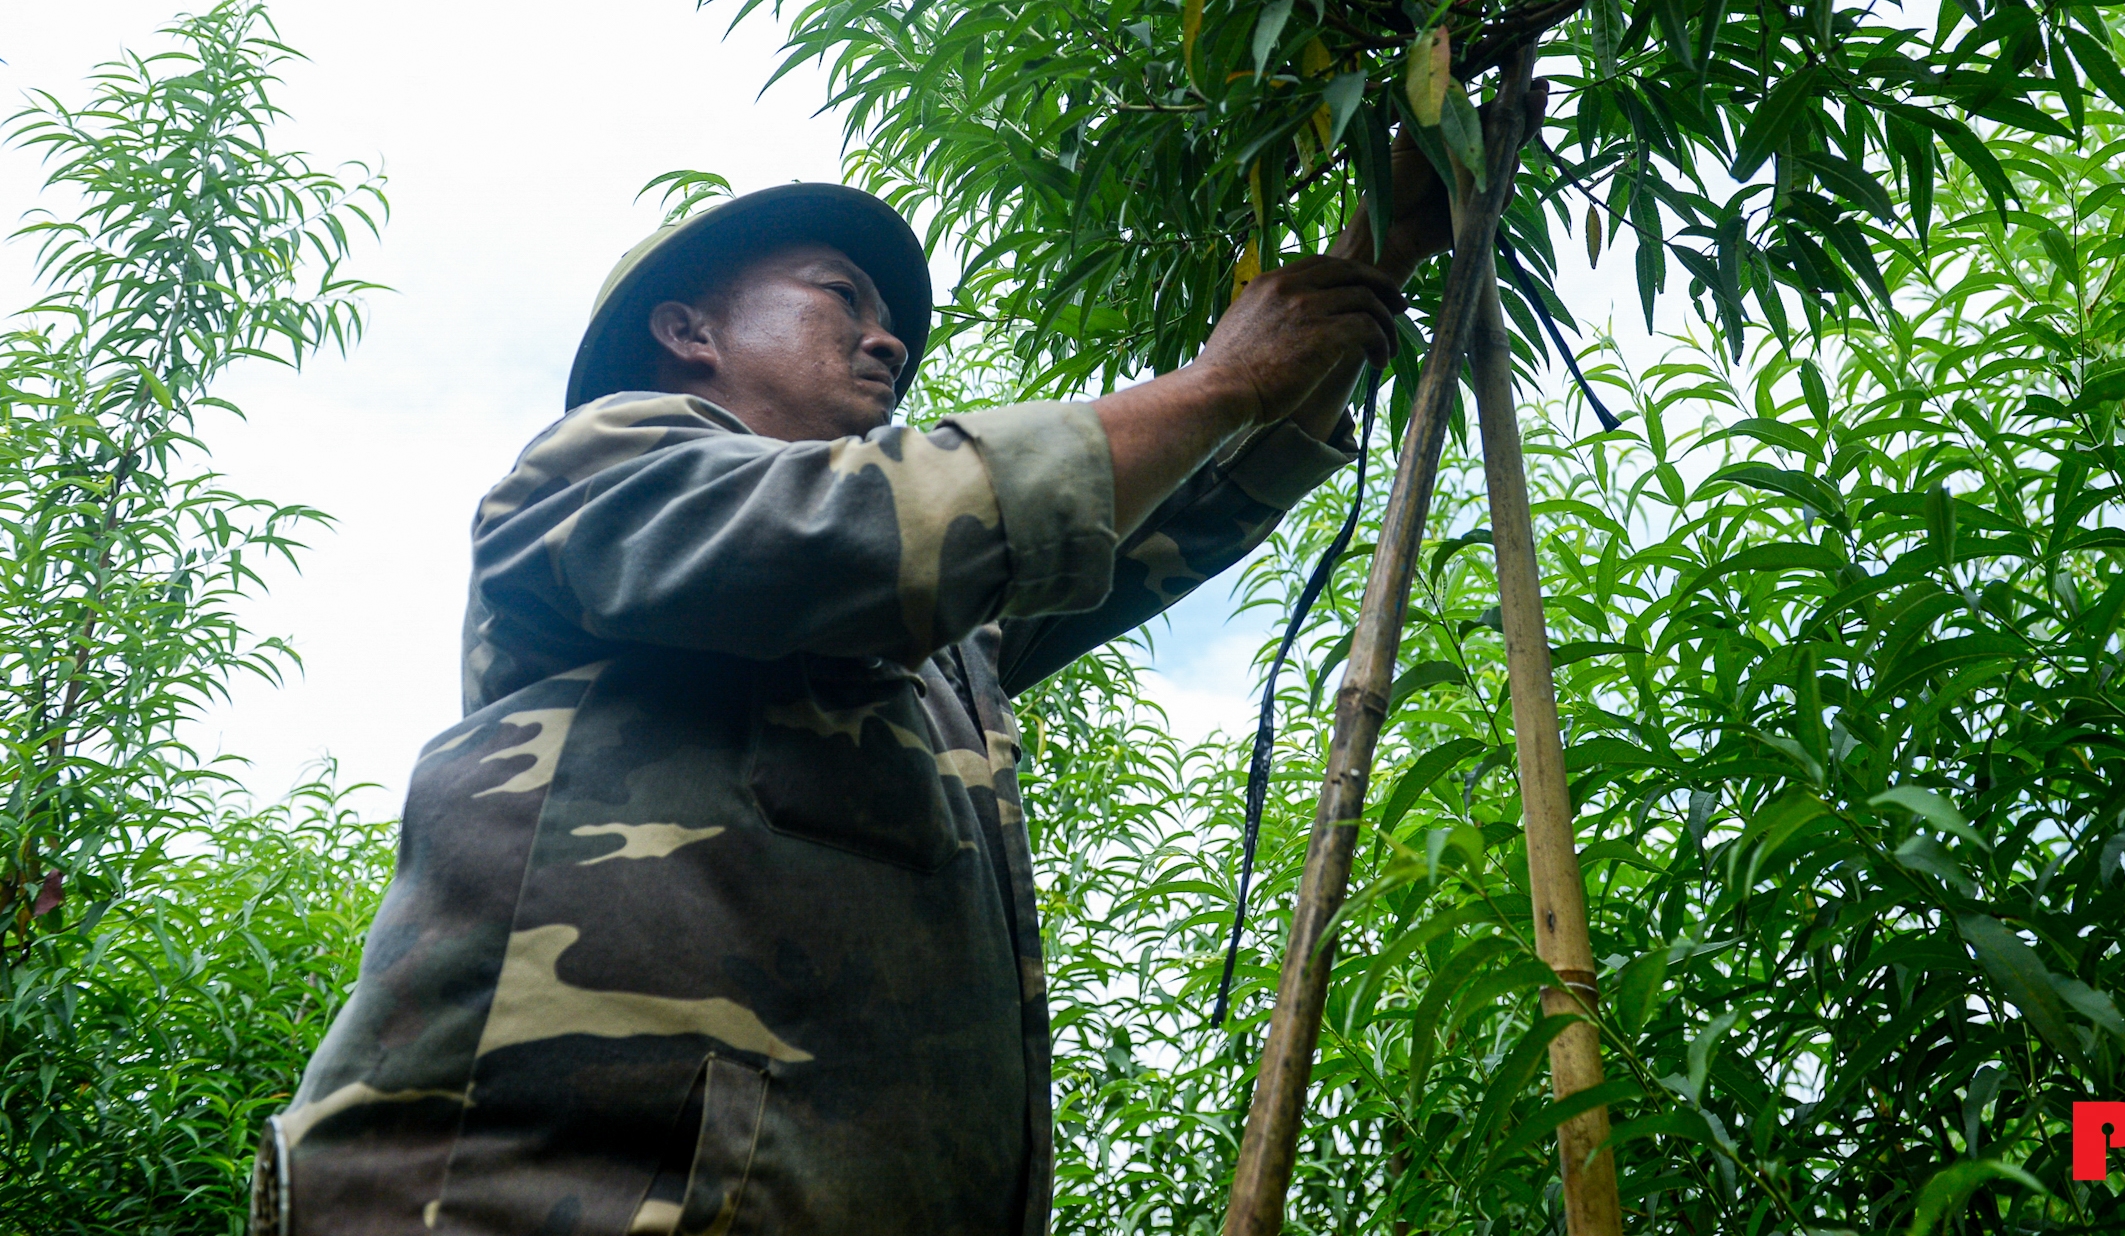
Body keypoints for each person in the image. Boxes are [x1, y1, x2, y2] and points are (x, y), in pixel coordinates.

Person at [256, 155, 1453, 1236]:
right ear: (687, 329)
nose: (888, 343)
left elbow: (1154, 520)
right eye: (842, 297)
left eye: (891, 326)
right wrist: (1218, 382)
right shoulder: (598, 469)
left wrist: (1372, 257)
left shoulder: (928, 649)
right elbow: (856, 529)